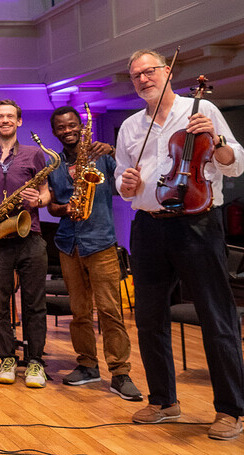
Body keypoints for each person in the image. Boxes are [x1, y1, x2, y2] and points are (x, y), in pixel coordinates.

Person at [115, 49, 244, 439]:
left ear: (167, 71)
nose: (143, 79)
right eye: (136, 74)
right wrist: (126, 185)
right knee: (150, 318)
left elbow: (233, 162)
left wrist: (216, 138)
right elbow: (124, 180)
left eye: (149, 71)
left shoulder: (198, 109)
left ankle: (231, 409)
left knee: (215, 317)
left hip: (197, 224)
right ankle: (163, 401)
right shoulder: (130, 126)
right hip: (149, 225)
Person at [46, 106, 142, 401]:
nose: (68, 131)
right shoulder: (55, 164)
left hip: (100, 242)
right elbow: (51, 206)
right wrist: (65, 208)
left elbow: (132, 175)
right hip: (68, 243)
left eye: (72, 125)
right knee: (79, 312)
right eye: (61, 127)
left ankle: (120, 372)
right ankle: (87, 365)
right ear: (55, 132)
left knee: (111, 311)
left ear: (80, 126)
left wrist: (114, 149)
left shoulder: (103, 157)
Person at [0, 99, 50, 388]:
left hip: (31, 236)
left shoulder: (34, 154)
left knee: (34, 302)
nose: (4, 120)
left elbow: (45, 193)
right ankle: (6, 357)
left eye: (9, 116)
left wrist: (38, 200)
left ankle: (36, 361)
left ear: (19, 121)